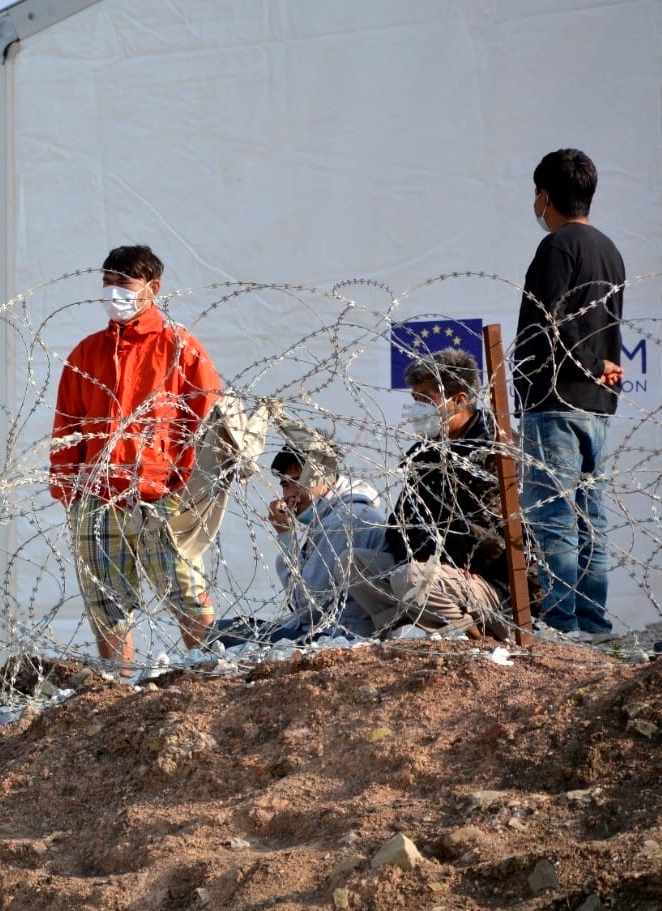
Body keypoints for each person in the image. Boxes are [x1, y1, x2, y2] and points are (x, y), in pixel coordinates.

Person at [50, 245, 221, 674]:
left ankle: (209, 680)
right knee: (108, 605)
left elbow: (207, 418)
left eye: (123, 284)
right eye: (107, 284)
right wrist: (69, 492)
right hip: (97, 498)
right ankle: (118, 691)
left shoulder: (180, 347)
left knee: (186, 592)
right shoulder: (86, 354)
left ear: (153, 288)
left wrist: (184, 484)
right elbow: (67, 429)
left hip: (161, 496)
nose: (113, 294)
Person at [513, 148, 625, 635]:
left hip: (556, 398)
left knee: (556, 516)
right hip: (596, 404)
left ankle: (562, 621)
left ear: (545, 195)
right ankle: (592, 620)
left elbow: (546, 324)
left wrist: (579, 364)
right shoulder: (609, 250)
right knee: (588, 517)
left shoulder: (558, 248)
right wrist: (599, 368)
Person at [351, 350, 510, 639]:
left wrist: (428, 560)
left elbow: (490, 538)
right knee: (356, 562)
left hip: (484, 580)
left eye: (427, 397)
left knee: (413, 576)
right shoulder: (424, 454)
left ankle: (471, 635)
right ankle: (406, 631)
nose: (418, 408)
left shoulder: (491, 454)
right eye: (415, 398)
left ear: (460, 399)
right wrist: (416, 555)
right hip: (432, 570)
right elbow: (399, 525)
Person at [215, 437, 385, 645]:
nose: (288, 496)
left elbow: (307, 606)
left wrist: (287, 537)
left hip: (336, 637)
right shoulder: (340, 514)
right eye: (285, 485)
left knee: (218, 636)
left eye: (297, 482)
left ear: (325, 476)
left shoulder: (343, 521)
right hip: (330, 631)